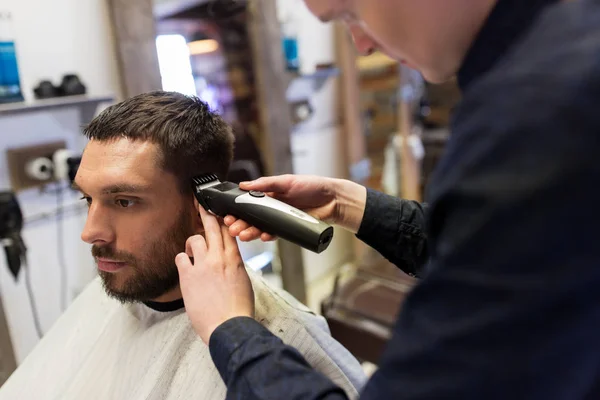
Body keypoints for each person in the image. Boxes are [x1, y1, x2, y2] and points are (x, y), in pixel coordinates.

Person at [175, 0, 600, 399]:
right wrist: (348, 203)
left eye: (350, 12)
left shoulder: (538, 118)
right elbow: (512, 250)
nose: (361, 46)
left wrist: (230, 328)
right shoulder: (567, 47)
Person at [0, 91, 367, 400]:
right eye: (87, 200)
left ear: (201, 207)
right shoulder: (110, 300)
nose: (90, 232)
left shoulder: (286, 335)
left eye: (124, 201)